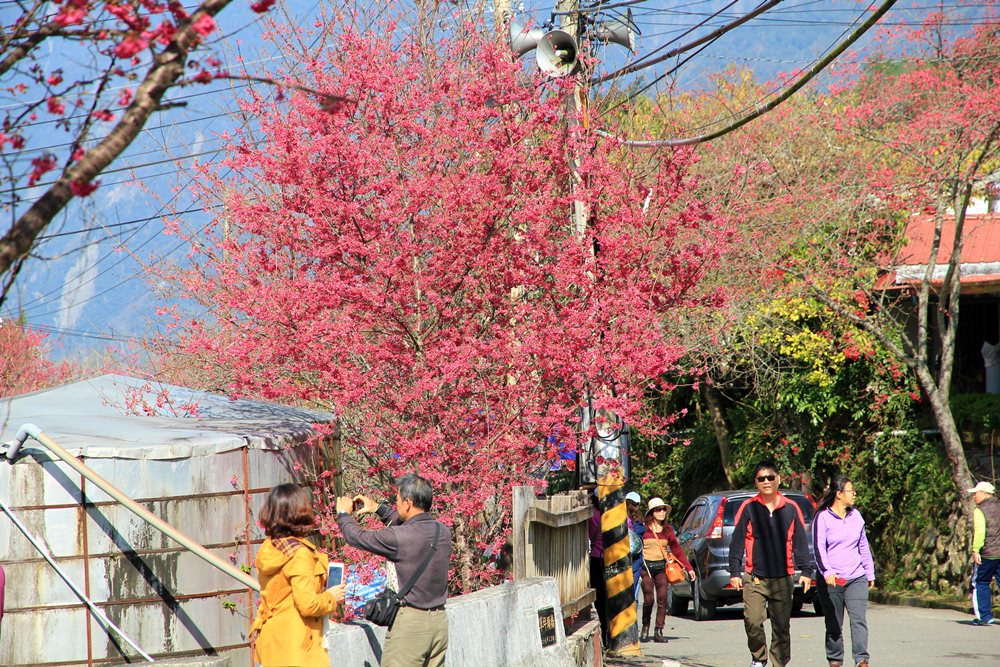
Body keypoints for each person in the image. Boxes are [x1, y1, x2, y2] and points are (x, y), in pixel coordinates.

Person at [336, 472, 452, 667]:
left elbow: (358, 537)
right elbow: (413, 526)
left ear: (407, 502)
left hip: (411, 626)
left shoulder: (400, 537)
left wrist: (343, 515)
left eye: (397, 499)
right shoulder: (442, 532)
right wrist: (377, 509)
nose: (395, 504)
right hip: (439, 623)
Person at [250, 483, 346, 667]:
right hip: (296, 648)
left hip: (272, 642)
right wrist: (330, 597)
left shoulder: (269, 547)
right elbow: (307, 605)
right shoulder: (299, 554)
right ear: (300, 512)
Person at [729, 459, 813, 667]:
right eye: (761, 478)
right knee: (753, 620)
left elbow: (800, 541)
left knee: (781, 626)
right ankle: (759, 658)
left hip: (783, 577)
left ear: (778, 479)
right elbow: (737, 542)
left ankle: (779, 663)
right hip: (754, 576)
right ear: (756, 483)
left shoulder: (791, 508)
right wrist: (734, 571)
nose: (766, 481)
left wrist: (806, 571)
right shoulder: (748, 508)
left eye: (770, 477)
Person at [812, 475, 876, 667]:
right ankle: (835, 660)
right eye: (851, 490)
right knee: (834, 624)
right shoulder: (822, 518)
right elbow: (818, 548)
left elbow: (863, 545)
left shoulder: (856, 516)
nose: (854, 494)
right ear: (839, 494)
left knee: (858, 621)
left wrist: (869, 572)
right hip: (832, 580)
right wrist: (827, 572)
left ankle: (862, 660)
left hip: (856, 577)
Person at [640, 496, 695, 644]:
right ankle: (645, 625)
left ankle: (659, 630)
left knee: (663, 599)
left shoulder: (668, 530)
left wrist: (688, 568)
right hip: (646, 568)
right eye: (658, 510)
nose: (662, 512)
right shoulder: (643, 528)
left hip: (662, 568)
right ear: (652, 512)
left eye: (664, 509)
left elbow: (677, 550)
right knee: (649, 599)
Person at [969, 480, 1000, 626]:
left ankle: (984, 616)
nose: (974, 496)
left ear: (983, 493)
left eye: (976, 493)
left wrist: (976, 550)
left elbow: (980, 532)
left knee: (980, 582)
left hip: (987, 553)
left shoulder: (980, 510)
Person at [588, 489, 609, 645]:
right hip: (613, 559)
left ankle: (604, 634)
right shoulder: (616, 513)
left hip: (596, 557)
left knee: (600, 599)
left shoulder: (591, 514)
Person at [625, 491, 645, 609]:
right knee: (634, 596)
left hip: (624, 558)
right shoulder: (639, 521)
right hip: (636, 560)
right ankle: (633, 624)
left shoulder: (620, 518)